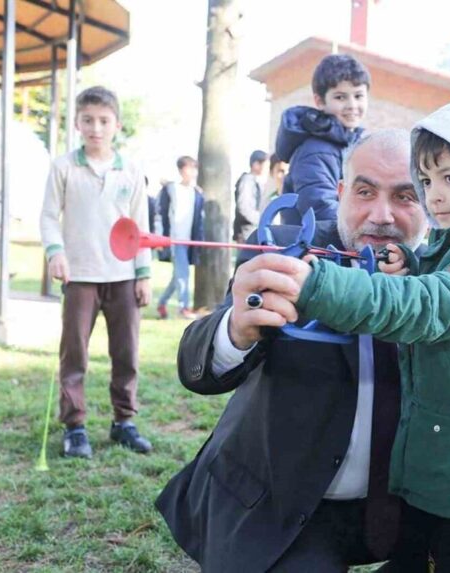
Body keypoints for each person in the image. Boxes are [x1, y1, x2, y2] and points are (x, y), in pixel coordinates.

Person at [262, 93, 450, 572]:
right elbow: (440, 282)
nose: (436, 195)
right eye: (426, 181)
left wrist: (318, 285)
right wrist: (411, 263)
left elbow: (429, 305)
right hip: (448, 464)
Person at [157, 130, 434, 572]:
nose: (381, 215)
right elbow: (200, 367)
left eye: (405, 196)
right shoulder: (286, 249)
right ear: (341, 194)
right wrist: (237, 329)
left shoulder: (442, 275)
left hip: (396, 507)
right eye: (365, 192)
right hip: (285, 507)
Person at [39, 85, 153, 459]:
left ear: (117, 125)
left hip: (123, 276)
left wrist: (143, 274)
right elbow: (48, 216)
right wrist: (56, 253)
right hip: (80, 276)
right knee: (74, 354)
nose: (96, 128)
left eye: (104, 121)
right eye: (88, 120)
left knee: (126, 353)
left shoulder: (131, 171)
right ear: (77, 123)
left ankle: (124, 421)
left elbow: (140, 226)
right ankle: (75, 427)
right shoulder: (64, 167)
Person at [276, 54, 369, 225]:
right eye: (340, 97)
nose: (352, 105)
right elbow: (322, 210)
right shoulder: (315, 151)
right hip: (315, 241)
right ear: (320, 101)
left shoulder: (350, 145)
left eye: (358, 96)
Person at [156, 156, 205, 320]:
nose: (191, 172)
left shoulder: (196, 193)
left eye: (194, 168)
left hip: (188, 240)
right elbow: (161, 213)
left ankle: (162, 303)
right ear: (181, 170)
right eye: (188, 168)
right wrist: (161, 238)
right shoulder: (171, 189)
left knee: (178, 275)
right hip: (174, 240)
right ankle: (183, 307)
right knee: (183, 274)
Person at [233, 150, 267, 243]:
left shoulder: (255, 182)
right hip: (247, 232)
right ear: (256, 164)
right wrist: (261, 220)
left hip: (252, 231)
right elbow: (244, 207)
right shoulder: (247, 181)